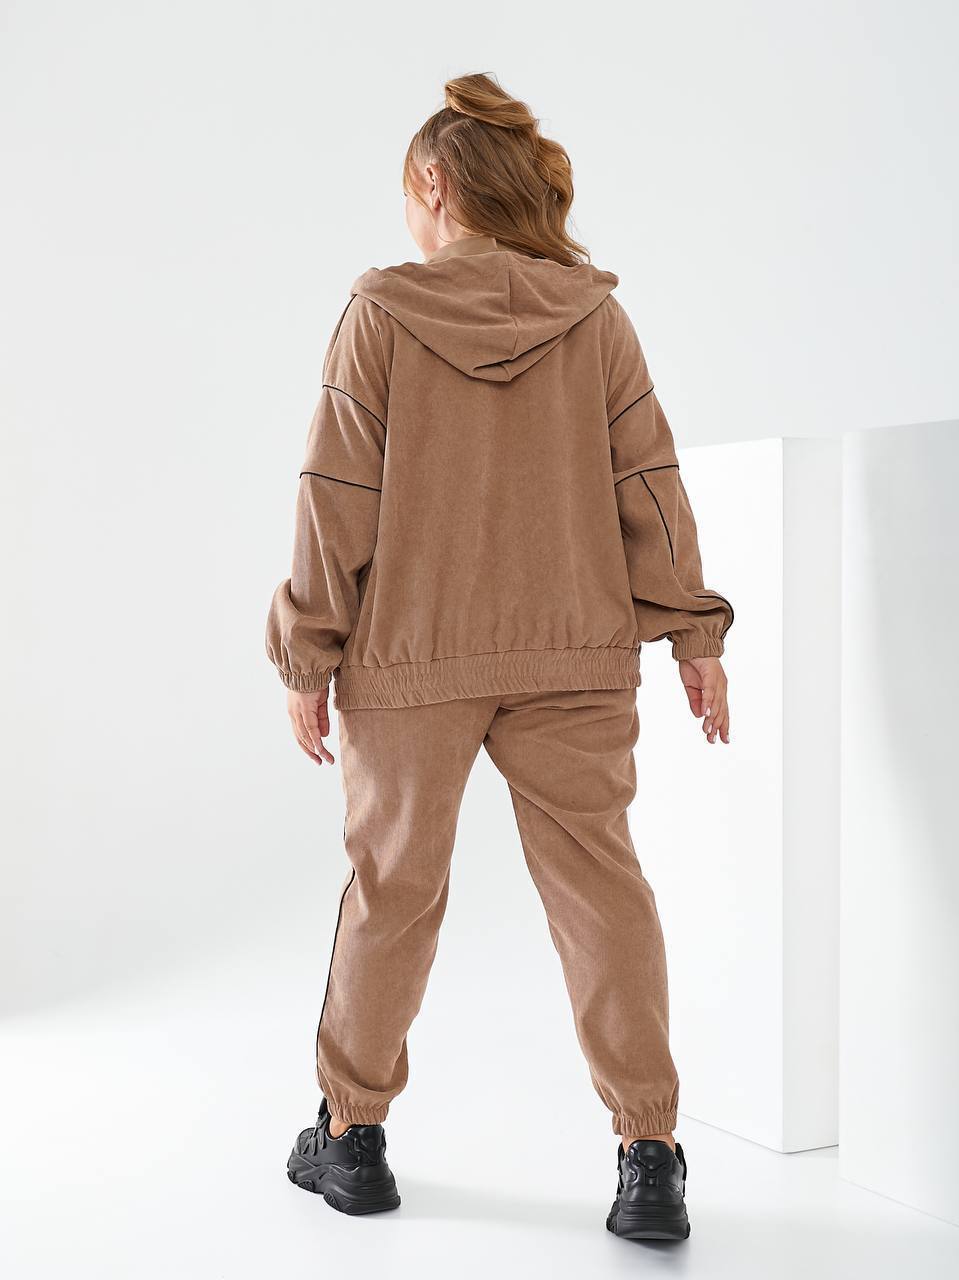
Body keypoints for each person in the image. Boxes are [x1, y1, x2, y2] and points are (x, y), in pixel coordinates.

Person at [266, 72, 733, 1242]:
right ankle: (648, 1154)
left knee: (392, 889)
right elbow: (649, 485)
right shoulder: (594, 318)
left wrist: (307, 650)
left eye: (406, 194)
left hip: (410, 657)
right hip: (574, 652)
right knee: (601, 888)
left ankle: (352, 1135)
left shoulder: (380, 314)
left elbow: (334, 495)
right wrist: (690, 630)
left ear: (433, 183)